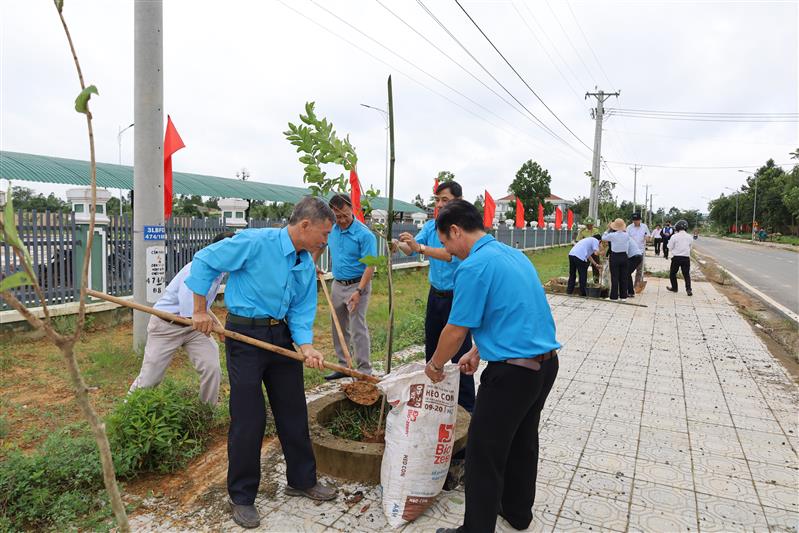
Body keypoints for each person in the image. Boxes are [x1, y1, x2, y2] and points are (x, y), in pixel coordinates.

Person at [186, 197, 337, 529]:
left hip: (281, 337)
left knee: (293, 410)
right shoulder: (256, 242)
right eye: (324, 234)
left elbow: (300, 310)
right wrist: (199, 309)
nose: (326, 241)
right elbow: (205, 260)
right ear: (306, 225)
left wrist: (307, 347)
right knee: (248, 418)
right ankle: (241, 497)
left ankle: (302, 480)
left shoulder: (304, 264)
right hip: (245, 339)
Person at [425, 200, 560, 533]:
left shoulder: (473, 266)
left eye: (445, 242)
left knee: (483, 453)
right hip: (543, 367)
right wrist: (479, 350)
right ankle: (516, 513)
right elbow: (511, 313)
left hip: (512, 376)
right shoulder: (513, 255)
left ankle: (476, 529)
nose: (449, 251)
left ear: (455, 230)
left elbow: (454, 329)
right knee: (522, 441)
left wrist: (436, 363)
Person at [397, 181, 475, 414]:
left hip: (457, 296)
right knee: (433, 349)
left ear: (458, 201)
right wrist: (400, 243)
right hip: (436, 295)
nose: (439, 204)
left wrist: (420, 248)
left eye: (445, 200)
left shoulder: (460, 231)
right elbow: (411, 248)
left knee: (460, 353)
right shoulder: (432, 227)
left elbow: (449, 255)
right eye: (437, 200)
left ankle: (466, 408)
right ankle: (436, 403)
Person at [129, 232, 233, 405]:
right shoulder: (196, 270)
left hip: (193, 328)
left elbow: (202, 308)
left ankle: (207, 410)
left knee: (211, 367)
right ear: (217, 250)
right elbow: (191, 311)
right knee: (150, 378)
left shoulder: (220, 271)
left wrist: (219, 326)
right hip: (166, 327)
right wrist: (212, 327)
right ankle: (128, 412)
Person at [320, 193, 377, 379]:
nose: (342, 220)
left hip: (358, 284)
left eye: (346, 215)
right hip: (338, 284)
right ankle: (344, 366)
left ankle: (364, 370)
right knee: (338, 326)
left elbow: (370, 265)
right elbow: (320, 245)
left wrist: (359, 291)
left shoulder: (365, 235)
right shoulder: (332, 229)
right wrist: (312, 264)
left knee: (357, 327)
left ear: (352, 209)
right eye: (338, 216)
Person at [602, 219, 631, 301]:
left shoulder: (612, 235)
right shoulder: (627, 235)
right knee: (624, 277)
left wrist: (608, 229)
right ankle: (623, 297)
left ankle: (614, 297)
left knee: (615, 277)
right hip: (624, 256)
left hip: (615, 256)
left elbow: (603, 238)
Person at [666, 219, 693, 296]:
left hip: (676, 258)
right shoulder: (689, 237)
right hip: (686, 258)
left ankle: (674, 288)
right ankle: (688, 290)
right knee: (686, 274)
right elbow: (690, 247)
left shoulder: (674, 236)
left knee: (672, 273)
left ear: (677, 228)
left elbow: (669, 247)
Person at [626, 212, 650, 288]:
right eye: (634, 220)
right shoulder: (629, 227)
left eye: (637, 220)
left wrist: (647, 238)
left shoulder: (644, 227)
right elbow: (626, 238)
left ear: (640, 220)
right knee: (628, 269)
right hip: (630, 252)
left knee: (639, 270)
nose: (635, 221)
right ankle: (627, 285)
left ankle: (636, 285)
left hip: (640, 251)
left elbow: (649, 237)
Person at [574, 217, 600, 282]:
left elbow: (598, 239)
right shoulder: (582, 232)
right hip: (585, 252)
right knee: (584, 267)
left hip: (594, 252)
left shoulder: (596, 230)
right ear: (586, 225)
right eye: (588, 225)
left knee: (596, 268)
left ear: (593, 224)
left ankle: (596, 282)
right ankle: (583, 282)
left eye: (591, 225)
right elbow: (578, 241)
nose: (589, 226)